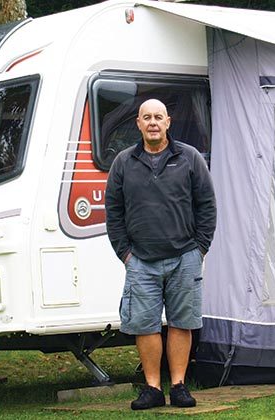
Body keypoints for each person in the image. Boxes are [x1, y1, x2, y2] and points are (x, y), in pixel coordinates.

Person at [105, 99, 216, 410]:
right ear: (138, 124)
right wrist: (125, 253)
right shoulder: (123, 163)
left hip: (185, 256)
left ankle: (179, 386)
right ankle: (153, 388)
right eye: (146, 118)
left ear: (168, 121)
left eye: (158, 117)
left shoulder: (190, 158)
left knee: (182, 322)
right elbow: (113, 212)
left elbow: (207, 205)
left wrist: (201, 248)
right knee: (145, 324)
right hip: (140, 259)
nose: (152, 122)